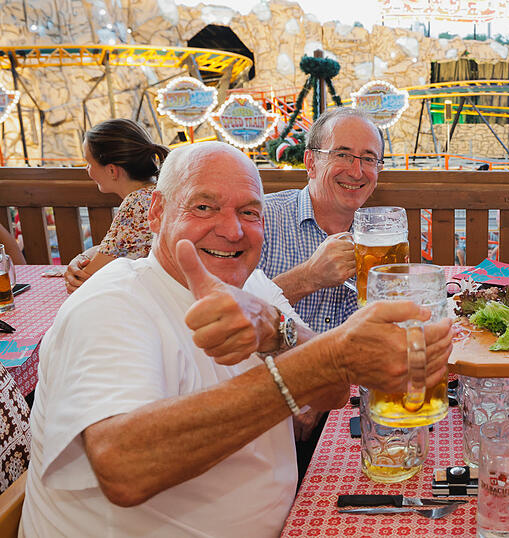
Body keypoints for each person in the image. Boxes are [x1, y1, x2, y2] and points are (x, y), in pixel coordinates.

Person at [20, 141, 453, 536]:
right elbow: (123, 466)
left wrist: (275, 328)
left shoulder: (253, 283)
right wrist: (324, 359)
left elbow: (333, 393)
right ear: (156, 211)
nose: (232, 231)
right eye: (204, 207)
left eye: (249, 212)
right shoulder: (112, 303)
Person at [258, 108, 384, 333]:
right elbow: (232, 315)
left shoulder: (382, 237)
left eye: (368, 158)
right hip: (278, 366)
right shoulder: (262, 219)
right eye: (342, 155)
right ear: (310, 162)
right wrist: (308, 277)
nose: (357, 172)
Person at [64, 119, 169, 293]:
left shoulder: (135, 205)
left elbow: (86, 279)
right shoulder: (155, 194)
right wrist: (83, 257)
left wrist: (77, 269)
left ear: (112, 171)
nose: (86, 170)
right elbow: (114, 249)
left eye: (89, 163)